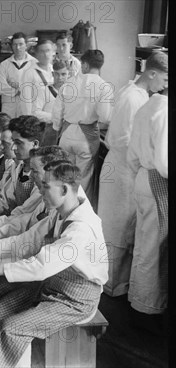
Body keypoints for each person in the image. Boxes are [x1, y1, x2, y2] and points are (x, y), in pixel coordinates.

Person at [0, 161, 108, 368]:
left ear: (65, 189)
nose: (40, 192)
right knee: (3, 305)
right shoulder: (62, 211)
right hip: (55, 285)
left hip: (77, 299)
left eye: (45, 187)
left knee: (11, 327)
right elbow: (28, 240)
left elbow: (41, 266)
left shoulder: (80, 229)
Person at [98, 51, 168, 298]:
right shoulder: (135, 98)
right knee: (119, 228)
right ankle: (111, 284)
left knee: (124, 229)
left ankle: (117, 284)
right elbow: (123, 139)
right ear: (151, 72)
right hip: (124, 168)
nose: (164, 85)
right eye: (164, 79)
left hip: (125, 165)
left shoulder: (136, 94)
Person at [0, 146, 71, 243]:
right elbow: (25, 221)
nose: (31, 176)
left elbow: (39, 255)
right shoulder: (50, 192)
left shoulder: (75, 224)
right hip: (12, 232)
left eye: (35, 171)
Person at [52, 49, 113, 210]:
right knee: (83, 180)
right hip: (86, 138)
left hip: (66, 135)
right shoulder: (103, 86)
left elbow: (57, 113)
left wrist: (57, 129)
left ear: (84, 64)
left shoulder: (69, 83)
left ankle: (61, 211)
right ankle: (79, 213)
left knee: (64, 177)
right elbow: (106, 117)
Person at [127, 84, 168, 316]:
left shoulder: (148, 106)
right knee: (154, 248)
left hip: (143, 177)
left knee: (143, 244)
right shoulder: (164, 111)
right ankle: (148, 306)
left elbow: (132, 154)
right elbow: (165, 164)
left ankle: (137, 298)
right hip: (157, 182)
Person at [0, 32, 37, 118]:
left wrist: (12, 86)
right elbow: (0, 88)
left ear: (26, 45)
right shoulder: (4, 65)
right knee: (8, 129)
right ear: (11, 46)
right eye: (15, 45)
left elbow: (38, 87)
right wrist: (20, 90)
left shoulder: (35, 64)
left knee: (25, 128)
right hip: (9, 107)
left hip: (28, 107)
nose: (18, 48)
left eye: (21, 44)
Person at [18, 40, 56, 119]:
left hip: (54, 118)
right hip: (36, 118)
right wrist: (28, 120)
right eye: (42, 51)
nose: (45, 55)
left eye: (48, 51)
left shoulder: (54, 71)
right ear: (36, 55)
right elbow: (26, 101)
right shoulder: (29, 73)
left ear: (53, 52)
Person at [39, 60, 69, 147]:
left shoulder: (72, 92)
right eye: (57, 74)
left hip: (66, 132)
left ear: (68, 74)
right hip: (47, 130)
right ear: (52, 74)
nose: (60, 78)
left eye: (63, 74)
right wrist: (56, 118)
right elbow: (35, 113)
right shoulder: (43, 90)